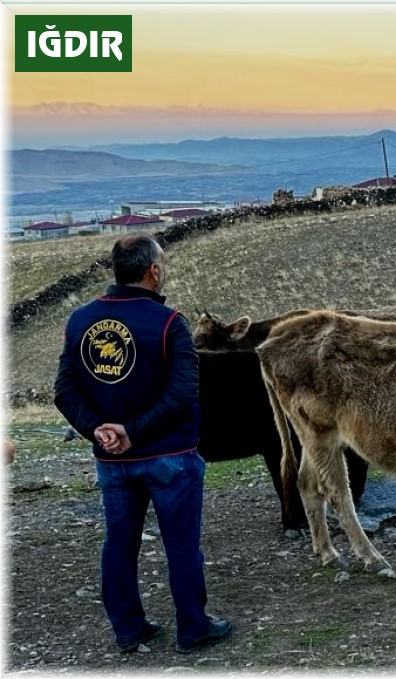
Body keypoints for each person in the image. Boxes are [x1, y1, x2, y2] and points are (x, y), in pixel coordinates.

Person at [54, 234, 233, 654]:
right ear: (153, 270)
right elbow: (183, 393)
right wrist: (132, 430)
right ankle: (193, 627)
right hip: (169, 457)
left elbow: (65, 391)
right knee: (182, 545)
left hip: (112, 462)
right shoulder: (170, 324)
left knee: (118, 544)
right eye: (163, 262)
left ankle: (129, 628)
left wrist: (99, 429)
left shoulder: (79, 321)